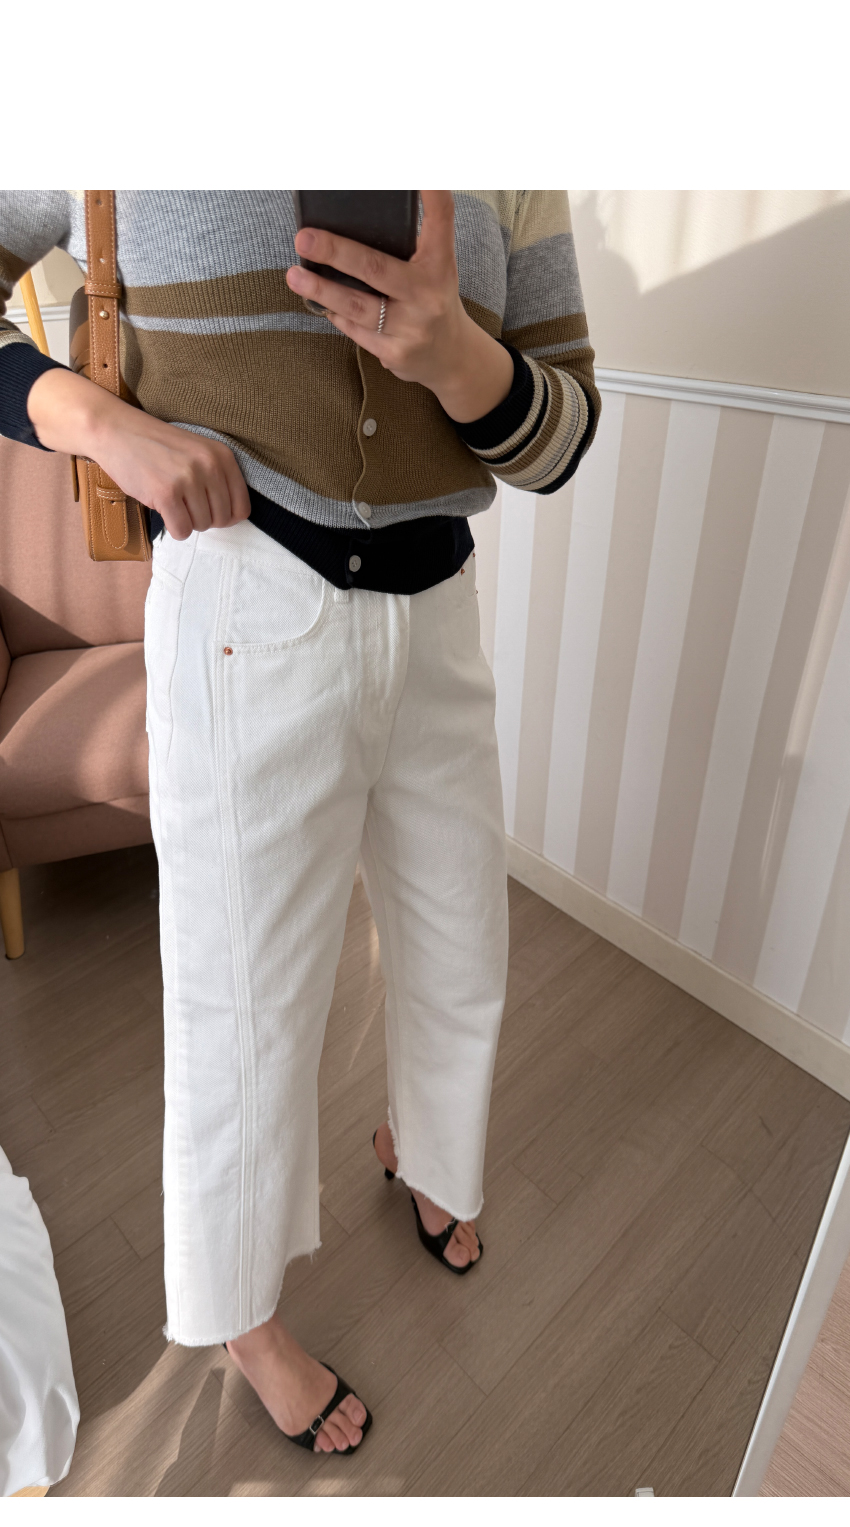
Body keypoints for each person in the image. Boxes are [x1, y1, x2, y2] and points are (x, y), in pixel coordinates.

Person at [0, 190, 599, 1456]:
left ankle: (432, 1154)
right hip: (243, 591)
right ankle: (244, 1318)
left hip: (438, 610)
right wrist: (98, 422)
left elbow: (561, 434)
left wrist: (459, 359)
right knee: (245, 998)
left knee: (458, 942)